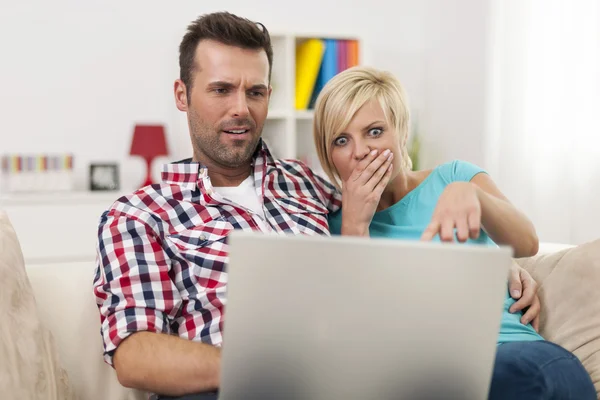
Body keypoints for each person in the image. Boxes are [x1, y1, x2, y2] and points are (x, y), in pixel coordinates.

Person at [93, 11, 543, 400]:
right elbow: (134, 354)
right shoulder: (139, 215)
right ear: (182, 95)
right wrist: (266, 366)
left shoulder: (308, 185)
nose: (241, 109)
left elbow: (387, 230)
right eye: (221, 89)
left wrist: (486, 258)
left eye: (255, 92)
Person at [312, 65, 597, 399]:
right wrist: (356, 228)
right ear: (330, 156)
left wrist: (474, 196)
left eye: (374, 131)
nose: (360, 151)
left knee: (525, 380)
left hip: (513, 354)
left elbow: (526, 242)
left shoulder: (454, 177)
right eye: (342, 140)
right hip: (427, 374)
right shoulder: (333, 230)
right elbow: (364, 341)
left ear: (402, 133)